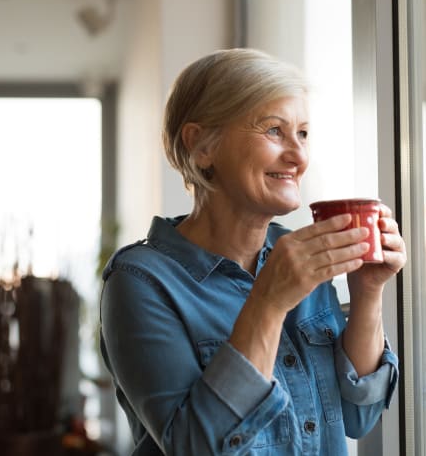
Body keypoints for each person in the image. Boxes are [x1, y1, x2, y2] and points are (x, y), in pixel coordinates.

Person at [100, 48, 406, 455]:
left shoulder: (297, 256)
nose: (298, 157)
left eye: (303, 134)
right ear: (201, 146)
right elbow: (194, 447)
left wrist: (368, 291)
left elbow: (358, 416)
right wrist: (268, 301)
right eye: (274, 130)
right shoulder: (140, 282)